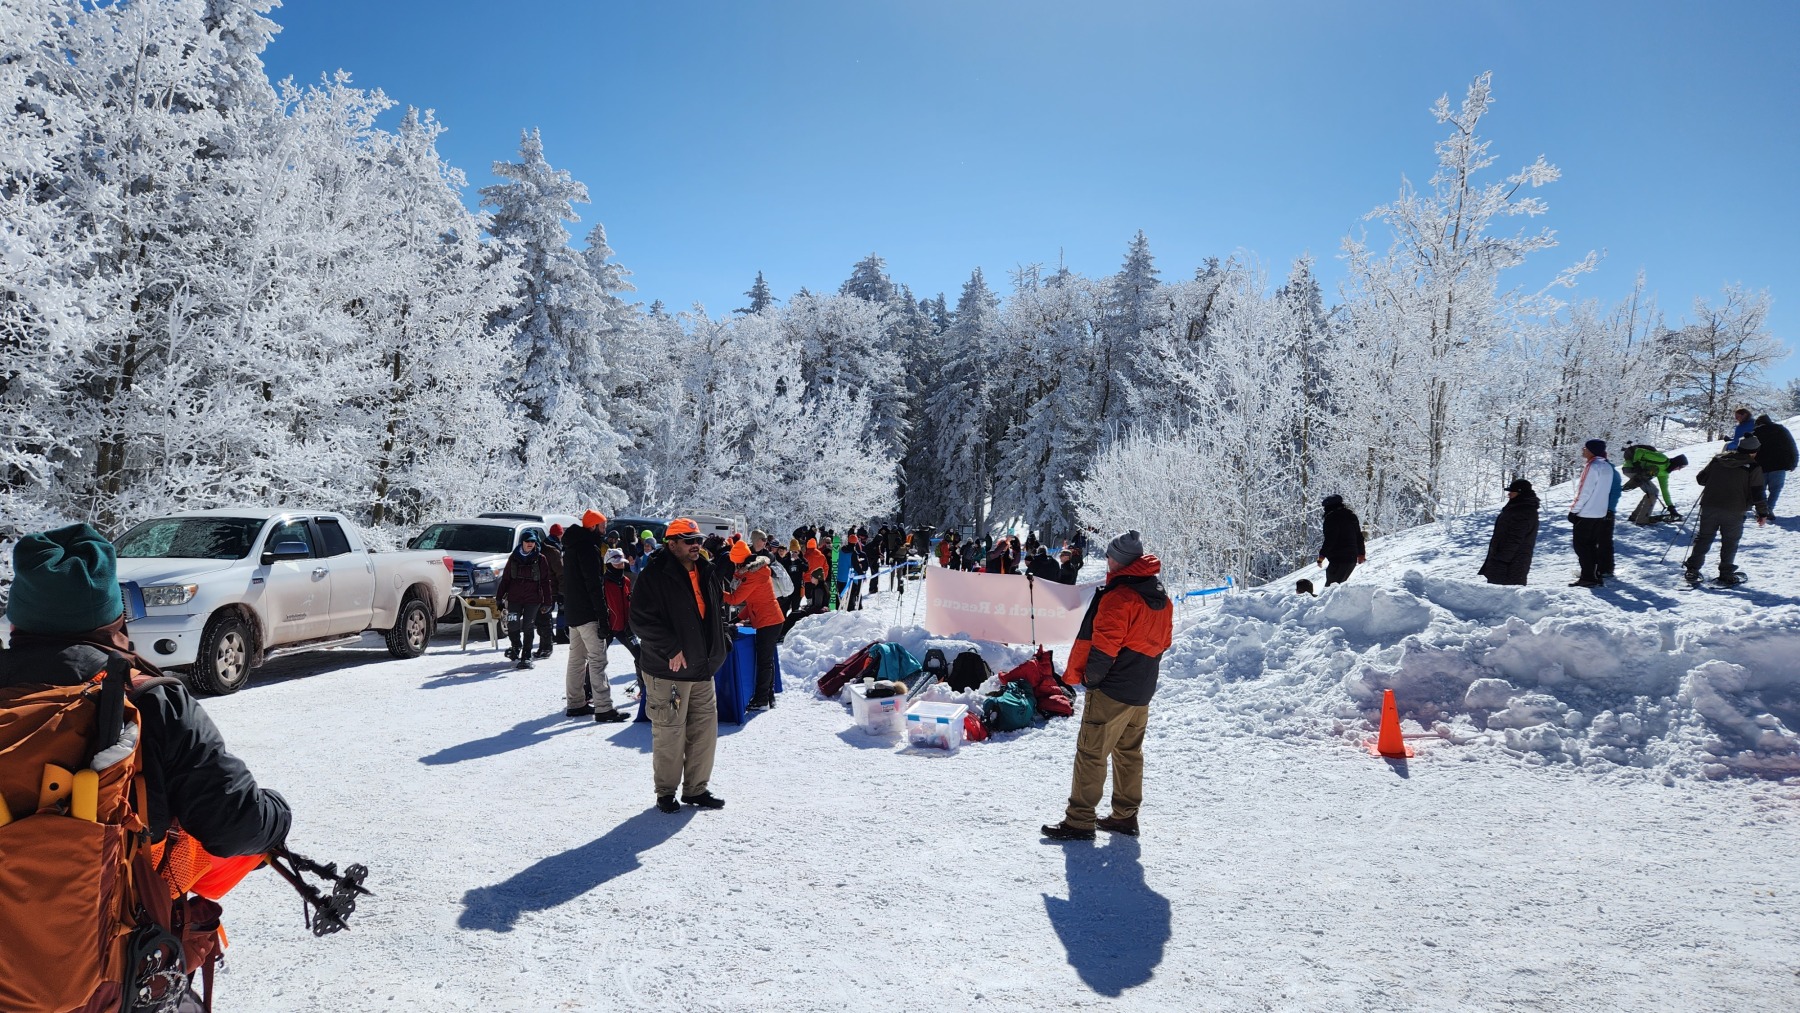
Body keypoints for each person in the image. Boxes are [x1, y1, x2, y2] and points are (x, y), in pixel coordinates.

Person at [1, 524, 291, 1010]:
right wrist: (277, 814)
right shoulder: (148, 699)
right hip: (109, 976)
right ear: (115, 618)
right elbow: (236, 823)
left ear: (18, 620)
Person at [1042, 530, 1173, 842]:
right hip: (1142, 687)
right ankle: (1125, 816)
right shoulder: (1160, 595)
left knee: (1091, 752)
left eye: (1110, 556)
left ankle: (1079, 821)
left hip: (1112, 688)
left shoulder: (1120, 597)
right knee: (1129, 752)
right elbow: (1163, 642)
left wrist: (1091, 681)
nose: (1107, 560)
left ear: (1120, 561)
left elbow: (1104, 649)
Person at [631, 518, 732, 813]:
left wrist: (722, 640)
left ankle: (696, 789)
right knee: (670, 733)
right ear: (671, 543)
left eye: (698, 539)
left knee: (704, 731)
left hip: (702, 668)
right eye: (689, 541)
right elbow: (640, 620)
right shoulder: (654, 574)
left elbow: (716, 609)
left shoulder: (706, 569)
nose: (696, 545)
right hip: (669, 671)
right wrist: (671, 648)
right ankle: (666, 792)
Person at [560, 511, 627, 722]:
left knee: (576, 660)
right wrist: (603, 616)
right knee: (598, 660)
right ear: (593, 526)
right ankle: (604, 707)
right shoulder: (588, 548)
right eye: (602, 525)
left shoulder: (571, 546)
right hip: (588, 613)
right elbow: (594, 585)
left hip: (574, 612)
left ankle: (575, 703)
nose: (605, 528)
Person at [1684, 437, 1770, 584]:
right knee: (1730, 542)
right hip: (1735, 509)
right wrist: (1762, 513)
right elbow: (1758, 493)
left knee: (1704, 538)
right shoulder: (1753, 467)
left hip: (1709, 506)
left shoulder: (1718, 460)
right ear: (1754, 452)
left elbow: (1701, 479)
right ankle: (1726, 574)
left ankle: (1692, 570)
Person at [722, 540, 785, 711]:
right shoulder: (756, 571)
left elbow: (735, 599)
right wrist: (738, 618)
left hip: (768, 621)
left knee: (764, 662)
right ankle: (769, 696)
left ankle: (761, 700)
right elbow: (753, 601)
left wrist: (717, 592)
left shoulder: (753, 576)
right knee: (767, 661)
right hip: (771, 619)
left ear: (739, 561)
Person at [497, 529, 556, 668]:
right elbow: (506, 579)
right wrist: (499, 598)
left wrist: (548, 602)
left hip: (533, 599)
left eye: (533, 541)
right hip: (515, 598)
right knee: (512, 623)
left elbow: (545, 582)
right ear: (522, 542)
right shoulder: (513, 557)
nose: (530, 544)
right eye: (527, 541)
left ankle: (526, 656)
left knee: (528, 626)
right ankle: (516, 646)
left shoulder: (540, 559)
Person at [1567, 439, 1616, 588]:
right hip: (1600, 512)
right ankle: (1595, 574)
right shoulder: (1607, 466)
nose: (1583, 450)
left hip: (1586, 513)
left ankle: (1588, 577)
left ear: (1592, 450)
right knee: (1592, 546)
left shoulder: (1592, 466)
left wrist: (1574, 510)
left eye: (1585, 448)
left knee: (1581, 546)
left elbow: (1585, 491)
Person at [1478, 479, 1541, 585]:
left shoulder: (1523, 511)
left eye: (1512, 491)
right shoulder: (1517, 507)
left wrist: (1501, 560)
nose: (1509, 494)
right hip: (1506, 561)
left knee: (1505, 591)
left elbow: (1515, 538)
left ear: (1520, 493)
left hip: (1511, 563)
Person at [1620, 444, 1688, 525]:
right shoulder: (1662, 459)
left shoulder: (1665, 474)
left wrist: (1671, 507)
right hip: (1631, 468)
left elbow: (1665, 490)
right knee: (1653, 492)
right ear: (1677, 463)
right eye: (1680, 467)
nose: (1679, 469)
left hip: (1637, 473)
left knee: (1652, 492)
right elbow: (1639, 451)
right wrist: (1636, 464)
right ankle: (1642, 519)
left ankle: (1635, 516)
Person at [1316, 495, 1367, 587]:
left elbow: (1330, 539)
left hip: (1338, 560)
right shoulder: (1351, 516)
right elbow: (1359, 536)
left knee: (1330, 589)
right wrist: (1361, 553)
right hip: (1351, 559)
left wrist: (1321, 556)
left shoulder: (1331, 518)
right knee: (1337, 588)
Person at [1751, 414, 1796, 515]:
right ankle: (1769, 508)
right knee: (1775, 489)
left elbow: (1750, 450)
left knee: (1760, 489)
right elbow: (1791, 446)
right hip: (1779, 466)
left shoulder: (1755, 433)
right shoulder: (1781, 430)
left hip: (1761, 467)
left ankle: (1762, 510)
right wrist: (1793, 462)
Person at [535, 524, 565, 658]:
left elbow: (560, 574)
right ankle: (547, 643)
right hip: (545, 591)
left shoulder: (548, 550)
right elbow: (561, 573)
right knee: (542, 619)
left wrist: (561, 592)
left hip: (548, 590)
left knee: (544, 619)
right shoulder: (553, 550)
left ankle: (547, 645)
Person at [837, 534, 863, 611]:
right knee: (851, 597)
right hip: (850, 579)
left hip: (840, 577)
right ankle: (850, 611)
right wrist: (862, 574)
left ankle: (838, 609)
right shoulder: (853, 553)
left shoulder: (841, 550)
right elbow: (856, 566)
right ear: (856, 543)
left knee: (840, 596)